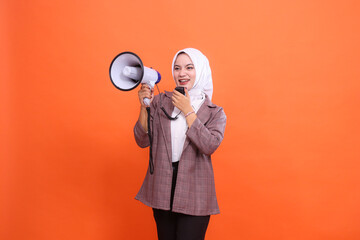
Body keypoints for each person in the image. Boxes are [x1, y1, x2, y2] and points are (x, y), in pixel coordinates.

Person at [133, 48, 226, 240]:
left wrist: (188, 110)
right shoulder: (160, 102)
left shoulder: (215, 112)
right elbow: (142, 140)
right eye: (177, 68)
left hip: (195, 193)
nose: (182, 73)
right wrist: (144, 107)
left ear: (200, 70)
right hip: (162, 189)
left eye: (189, 67)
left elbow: (209, 145)